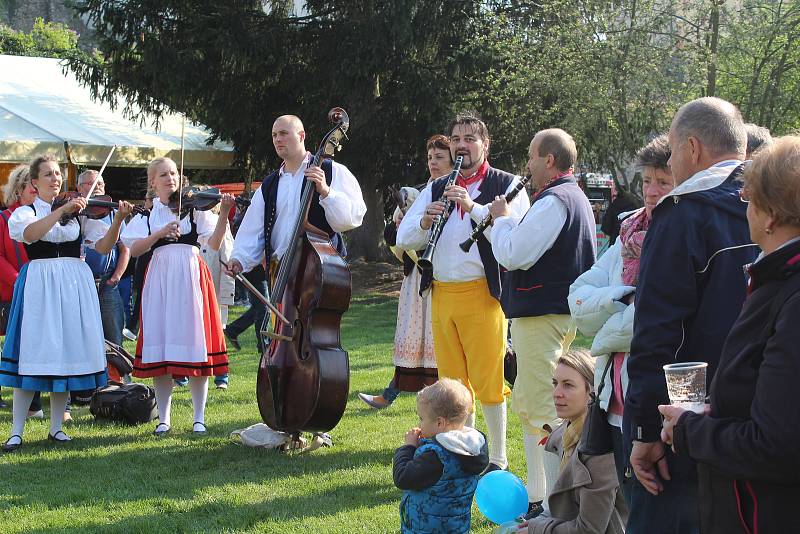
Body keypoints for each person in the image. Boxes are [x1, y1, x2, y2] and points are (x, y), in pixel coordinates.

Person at [623, 97, 759, 533]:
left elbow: (660, 334)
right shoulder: (777, 206)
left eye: (675, 149)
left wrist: (648, 429)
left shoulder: (684, 214)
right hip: (762, 417)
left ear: (693, 148)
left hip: (690, 420)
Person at [659, 136, 800, 534]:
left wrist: (690, 430)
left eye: (749, 200)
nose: (745, 208)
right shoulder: (778, 278)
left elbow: (777, 446)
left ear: (771, 215)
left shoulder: (791, 292)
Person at [397, 112, 530, 473]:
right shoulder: (436, 186)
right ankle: (467, 451)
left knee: (489, 379)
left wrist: (472, 208)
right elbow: (403, 238)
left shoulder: (507, 183)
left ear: (485, 145)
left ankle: (498, 458)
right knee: (454, 383)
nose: (461, 145)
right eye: (456, 139)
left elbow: (515, 235)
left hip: (483, 294)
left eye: (470, 138)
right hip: (442, 294)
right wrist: (425, 219)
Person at [489, 128, 596, 517]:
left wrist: (501, 220)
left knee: (548, 409)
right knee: (536, 407)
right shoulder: (572, 197)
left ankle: (557, 507)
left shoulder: (555, 201)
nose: (528, 164)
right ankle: (542, 498)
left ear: (549, 160)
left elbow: (515, 253)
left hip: (542, 316)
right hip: (554, 314)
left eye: (532, 156)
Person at [568, 134, 673, 504]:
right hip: (611, 398)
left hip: (652, 402)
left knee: (651, 508)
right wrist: (622, 299)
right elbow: (578, 297)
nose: (651, 190)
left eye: (663, 181)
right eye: (646, 180)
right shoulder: (627, 231)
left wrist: (603, 331)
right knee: (624, 506)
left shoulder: (680, 237)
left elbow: (652, 323)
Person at [0, 155, 127, 451]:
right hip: (39, 285)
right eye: (48, 174)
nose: (55, 179)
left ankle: (56, 428)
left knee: (64, 354)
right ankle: (16, 430)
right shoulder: (26, 212)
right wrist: (63, 211)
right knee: (32, 353)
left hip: (72, 285)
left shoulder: (80, 213)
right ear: (34, 182)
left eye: (58, 174)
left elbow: (104, 246)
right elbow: (30, 235)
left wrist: (118, 220)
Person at [121, 157, 235, 436]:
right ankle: (164, 418)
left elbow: (215, 243)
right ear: (153, 182)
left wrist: (223, 213)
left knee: (196, 344)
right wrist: (160, 233)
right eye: (163, 174)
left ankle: (199, 417)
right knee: (161, 345)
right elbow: (134, 250)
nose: (170, 178)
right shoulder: (148, 215)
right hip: (160, 277)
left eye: (173, 173)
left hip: (191, 274)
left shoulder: (196, 210)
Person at [358, 134, 453, 409]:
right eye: (430, 158)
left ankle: (431, 407)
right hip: (415, 280)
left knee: (435, 348)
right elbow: (399, 245)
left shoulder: (453, 191)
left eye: (439, 158)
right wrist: (399, 228)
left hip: (438, 280)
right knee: (416, 344)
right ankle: (396, 396)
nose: (433, 163)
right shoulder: (425, 191)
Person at [226, 114, 366, 285]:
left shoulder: (330, 171)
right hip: (279, 272)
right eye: (274, 135)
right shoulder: (269, 184)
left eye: (284, 133)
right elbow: (252, 229)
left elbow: (353, 217)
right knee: (279, 313)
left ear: (301, 136)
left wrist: (326, 192)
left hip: (320, 272)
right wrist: (239, 259)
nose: (278, 139)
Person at [519, 349, 628, 534]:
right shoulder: (569, 433)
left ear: (591, 391)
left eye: (568, 385)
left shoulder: (599, 451)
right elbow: (563, 509)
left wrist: (537, 529)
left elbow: (589, 530)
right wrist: (536, 524)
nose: (556, 393)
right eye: (555, 383)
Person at [393, 377, 489, 534]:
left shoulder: (436, 456)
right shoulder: (473, 448)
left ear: (439, 423)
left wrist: (408, 447)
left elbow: (402, 478)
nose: (419, 424)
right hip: (457, 527)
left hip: (425, 528)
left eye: (421, 418)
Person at [77, 170, 130, 380]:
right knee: (83, 333)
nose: (94, 187)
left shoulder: (111, 212)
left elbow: (124, 248)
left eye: (98, 183)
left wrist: (117, 275)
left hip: (106, 279)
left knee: (113, 330)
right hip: (79, 282)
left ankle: (120, 378)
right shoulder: (73, 211)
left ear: (104, 187)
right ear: (79, 188)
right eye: (88, 183)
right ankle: (88, 381)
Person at [0, 165, 41, 415]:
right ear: (19, 189)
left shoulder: (46, 216)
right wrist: (18, 281)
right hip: (11, 292)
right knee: (18, 347)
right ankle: (28, 404)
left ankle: (38, 404)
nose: (37, 190)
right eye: (32, 185)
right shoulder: (4, 218)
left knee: (39, 345)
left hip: (42, 290)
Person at [197, 193, 235, 390]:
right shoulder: (193, 220)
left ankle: (221, 375)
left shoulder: (220, 223)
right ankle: (185, 373)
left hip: (214, 283)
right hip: (196, 281)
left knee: (217, 330)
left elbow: (227, 253)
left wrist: (226, 291)